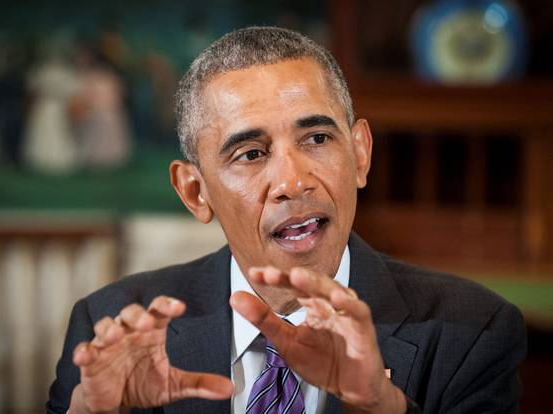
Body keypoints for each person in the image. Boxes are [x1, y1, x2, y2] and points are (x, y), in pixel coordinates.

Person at [47, 26, 526, 414]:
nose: (293, 182)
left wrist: (382, 409)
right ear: (196, 192)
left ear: (359, 155)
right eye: (251, 153)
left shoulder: (473, 330)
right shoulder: (106, 329)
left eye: (317, 139)